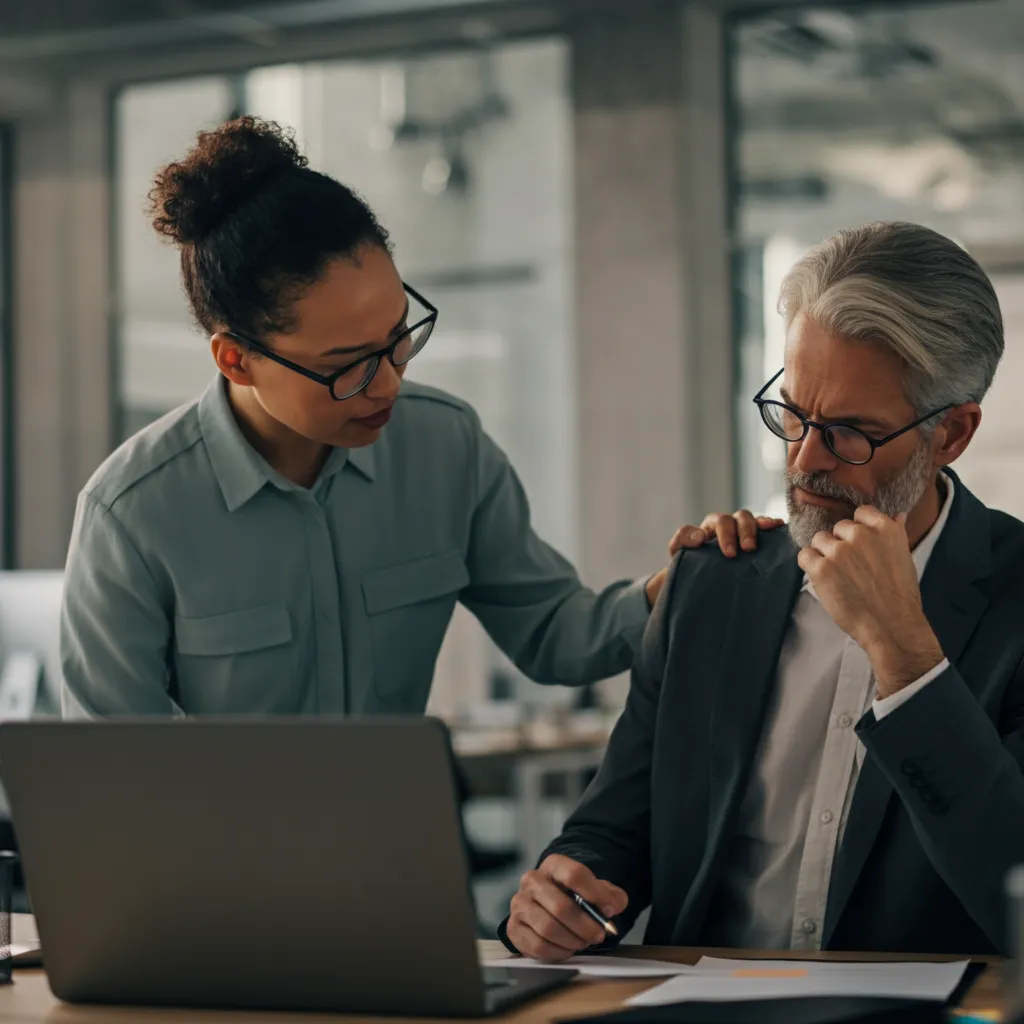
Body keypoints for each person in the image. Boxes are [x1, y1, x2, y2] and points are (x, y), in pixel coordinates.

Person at [61, 116, 768, 717]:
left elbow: (557, 633)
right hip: (214, 876)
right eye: (348, 364)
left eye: (399, 336)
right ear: (235, 359)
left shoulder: (445, 446)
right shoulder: (133, 514)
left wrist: (679, 586)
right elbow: (115, 775)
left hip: (401, 860)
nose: (390, 381)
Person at [504, 221, 1024, 959]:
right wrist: (566, 898)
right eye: (793, 414)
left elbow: (1015, 886)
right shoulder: (713, 581)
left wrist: (904, 653)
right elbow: (614, 833)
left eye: (850, 431)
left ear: (953, 434)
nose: (805, 461)